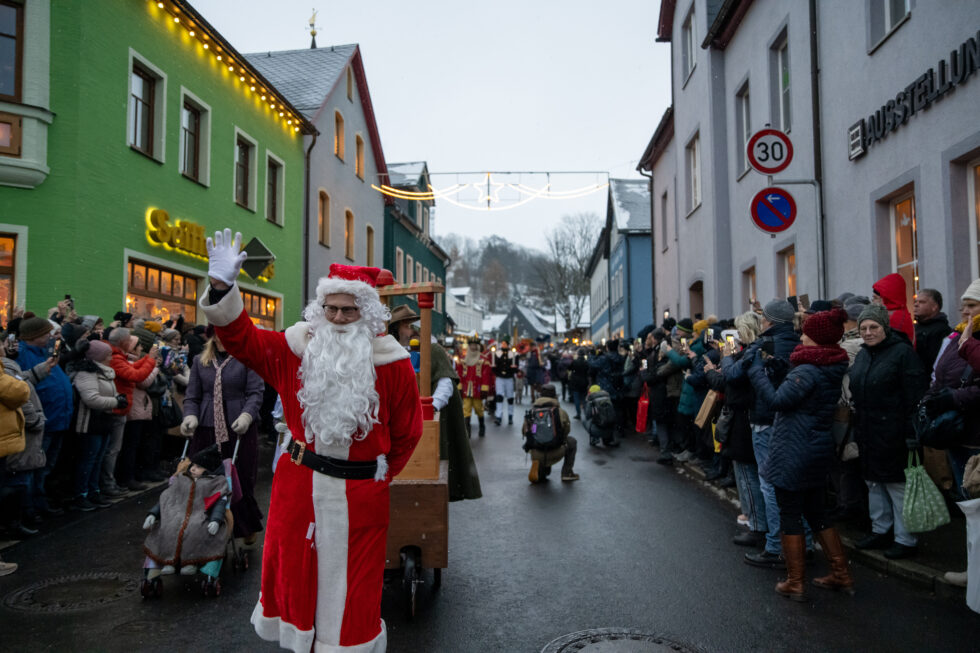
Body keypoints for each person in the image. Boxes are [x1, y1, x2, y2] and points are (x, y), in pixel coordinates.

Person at [201, 229, 423, 652]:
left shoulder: (393, 364)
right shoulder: (294, 350)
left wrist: (375, 476)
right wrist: (223, 288)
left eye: (348, 310)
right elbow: (242, 340)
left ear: (368, 314)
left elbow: (407, 435)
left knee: (354, 592)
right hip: (299, 488)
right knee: (296, 579)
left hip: (361, 496)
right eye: (331, 308)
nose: (338, 318)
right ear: (320, 309)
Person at [748, 308, 854, 601]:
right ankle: (841, 573)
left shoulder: (808, 370)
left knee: (790, 513)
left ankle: (795, 581)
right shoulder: (829, 365)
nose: (801, 335)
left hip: (794, 450)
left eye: (806, 332)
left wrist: (755, 371)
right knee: (818, 512)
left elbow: (776, 401)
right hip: (815, 449)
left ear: (818, 339)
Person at [848, 304, 927, 559]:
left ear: (885, 327)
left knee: (898, 486)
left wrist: (911, 434)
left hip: (894, 432)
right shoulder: (863, 354)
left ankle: (906, 539)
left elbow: (915, 396)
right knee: (874, 483)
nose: (868, 333)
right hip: (868, 430)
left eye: (874, 327)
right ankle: (881, 530)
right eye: (864, 328)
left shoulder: (902, 354)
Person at [732, 300, 804, 569]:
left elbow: (736, 375)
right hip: (789, 420)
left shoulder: (764, 346)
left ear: (769, 321)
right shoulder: (796, 342)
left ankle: (776, 546)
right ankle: (800, 544)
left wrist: (736, 360)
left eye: (764, 318)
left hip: (765, 418)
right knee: (790, 484)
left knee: (770, 485)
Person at [388, 305, 481, 502]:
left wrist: (429, 408)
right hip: (401, 418)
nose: (407, 330)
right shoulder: (393, 351)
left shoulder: (432, 349)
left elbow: (446, 384)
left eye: (408, 325)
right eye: (403, 326)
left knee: (432, 466)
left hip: (428, 417)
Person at [181, 331, 265, 541]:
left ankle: (244, 526)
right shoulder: (200, 361)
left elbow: (256, 392)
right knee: (203, 476)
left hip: (238, 427)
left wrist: (247, 415)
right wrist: (190, 416)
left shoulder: (247, 358)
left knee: (240, 477)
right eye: (217, 335)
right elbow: (192, 395)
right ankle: (203, 525)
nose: (222, 339)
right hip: (207, 425)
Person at [140, 444, 230, 595]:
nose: (193, 469)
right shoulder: (182, 480)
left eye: (198, 467)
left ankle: (191, 562)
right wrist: (153, 514)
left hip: (201, 515)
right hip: (176, 514)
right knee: (167, 528)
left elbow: (219, 503)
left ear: (208, 470)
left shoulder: (216, 484)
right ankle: (167, 561)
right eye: (193, 465)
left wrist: (215, 520)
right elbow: (166, 499)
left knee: (196, 530)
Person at [713, 312, 765, 546]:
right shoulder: (749, 352)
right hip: (743, 416)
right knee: (746, 473)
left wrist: (726, 357)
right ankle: (754, 519)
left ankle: (757, 525)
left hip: (744, 417)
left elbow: (733, 378)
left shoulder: (750, 353)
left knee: (747, 474)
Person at [15, 316, 72, 517]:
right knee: (37, 468)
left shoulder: (45, 352)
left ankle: (41, 503)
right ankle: (32, 509)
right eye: (46, 333)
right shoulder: (21, 354)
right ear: (34, 335)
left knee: (48, 466)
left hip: (58, 418)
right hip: (41, 420)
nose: (50, 336)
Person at [69, 340, 126, 511]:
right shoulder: (86, 373)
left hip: (103, 421)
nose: (111, 357)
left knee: (97, 459)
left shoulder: (105, 372)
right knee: (88, 459)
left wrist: (116, 399)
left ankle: (94, 491)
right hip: (89, 422)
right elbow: (91, 398)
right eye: (108, 354)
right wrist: (115, 401)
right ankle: (81, 494)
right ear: (99, 356)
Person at [104, 327, 157, 498]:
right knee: (114, 450)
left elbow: (134, 368)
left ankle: (113, 482)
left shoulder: (120, 357)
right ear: (124, 342)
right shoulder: (115, 358)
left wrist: (148, 359)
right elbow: (137, 375)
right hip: (117, 408)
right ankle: (110, 483)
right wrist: (151, 360)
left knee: (117, 449)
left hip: (123, 408)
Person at [1, 352, 41, 536]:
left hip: (7, 436)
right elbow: (20, 391)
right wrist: (35, 419)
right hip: (5, 436)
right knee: (12, 483)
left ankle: (13, 523)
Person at [523, 384, 578, 482]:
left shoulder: (532, 412)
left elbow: (524, 432)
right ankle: (567, 473)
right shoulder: (560, 412)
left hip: (536, 453)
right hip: (556, 451)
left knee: (535, 441)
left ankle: (541, 469)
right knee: (572, 441)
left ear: (540, 396)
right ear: (554, 396)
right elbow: (567, 430)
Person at [590, 339, 626, 438]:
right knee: (618, 409)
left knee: (606, 409)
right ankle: (620, 429)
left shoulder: (604, 358)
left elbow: (592, 364)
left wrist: (593, 355)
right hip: (618, 385)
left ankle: (609, 431)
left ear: (607, 347)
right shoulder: (621, 357)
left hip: (606, 386)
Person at [456, 338, 492, 437]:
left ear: (478, 346)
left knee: (479, 409)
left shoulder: (483, 359)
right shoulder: (463, 359)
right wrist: (459, 386)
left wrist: (484, 389)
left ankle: (482, 426)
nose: (473, 347)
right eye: (471, 345)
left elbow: (486, 375)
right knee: (466, 409)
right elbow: (459, 374)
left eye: (475, 345)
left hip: (478, 389)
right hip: (466, 389)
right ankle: (467, 430)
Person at [913, 288, 951, 374]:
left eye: (922, 302)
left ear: (935, 307)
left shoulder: (942, 330)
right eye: (916, 301)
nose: (916, 305)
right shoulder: (915, 327)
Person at [872, 273, 915, 345]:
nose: (873, 302)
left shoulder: (895, 318)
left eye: (875, 298)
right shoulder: (894, 314)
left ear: (887, 299)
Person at [491, 341, 518, 425]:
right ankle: (498, 416)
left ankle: (510, 415)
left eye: (505, 344)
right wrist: (494, 368)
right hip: (500, 378)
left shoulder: (514, 354)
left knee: (510, 397)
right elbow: (494, 365)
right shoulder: (497, 353)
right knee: (499, 396)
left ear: (508, 344)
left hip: (509, 378)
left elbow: (516, 367)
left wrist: (514, 368)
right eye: (502, 344)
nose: (503, 345)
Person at [567, 347, 591, 420]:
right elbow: (589, 372)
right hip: (584, 381)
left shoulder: (575, 362)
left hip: (575, 382)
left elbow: (569, 368)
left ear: (578, 354)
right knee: (584, 398)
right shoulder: (587, 362)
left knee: (576, 398)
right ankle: (586, 413)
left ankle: (578, 414)